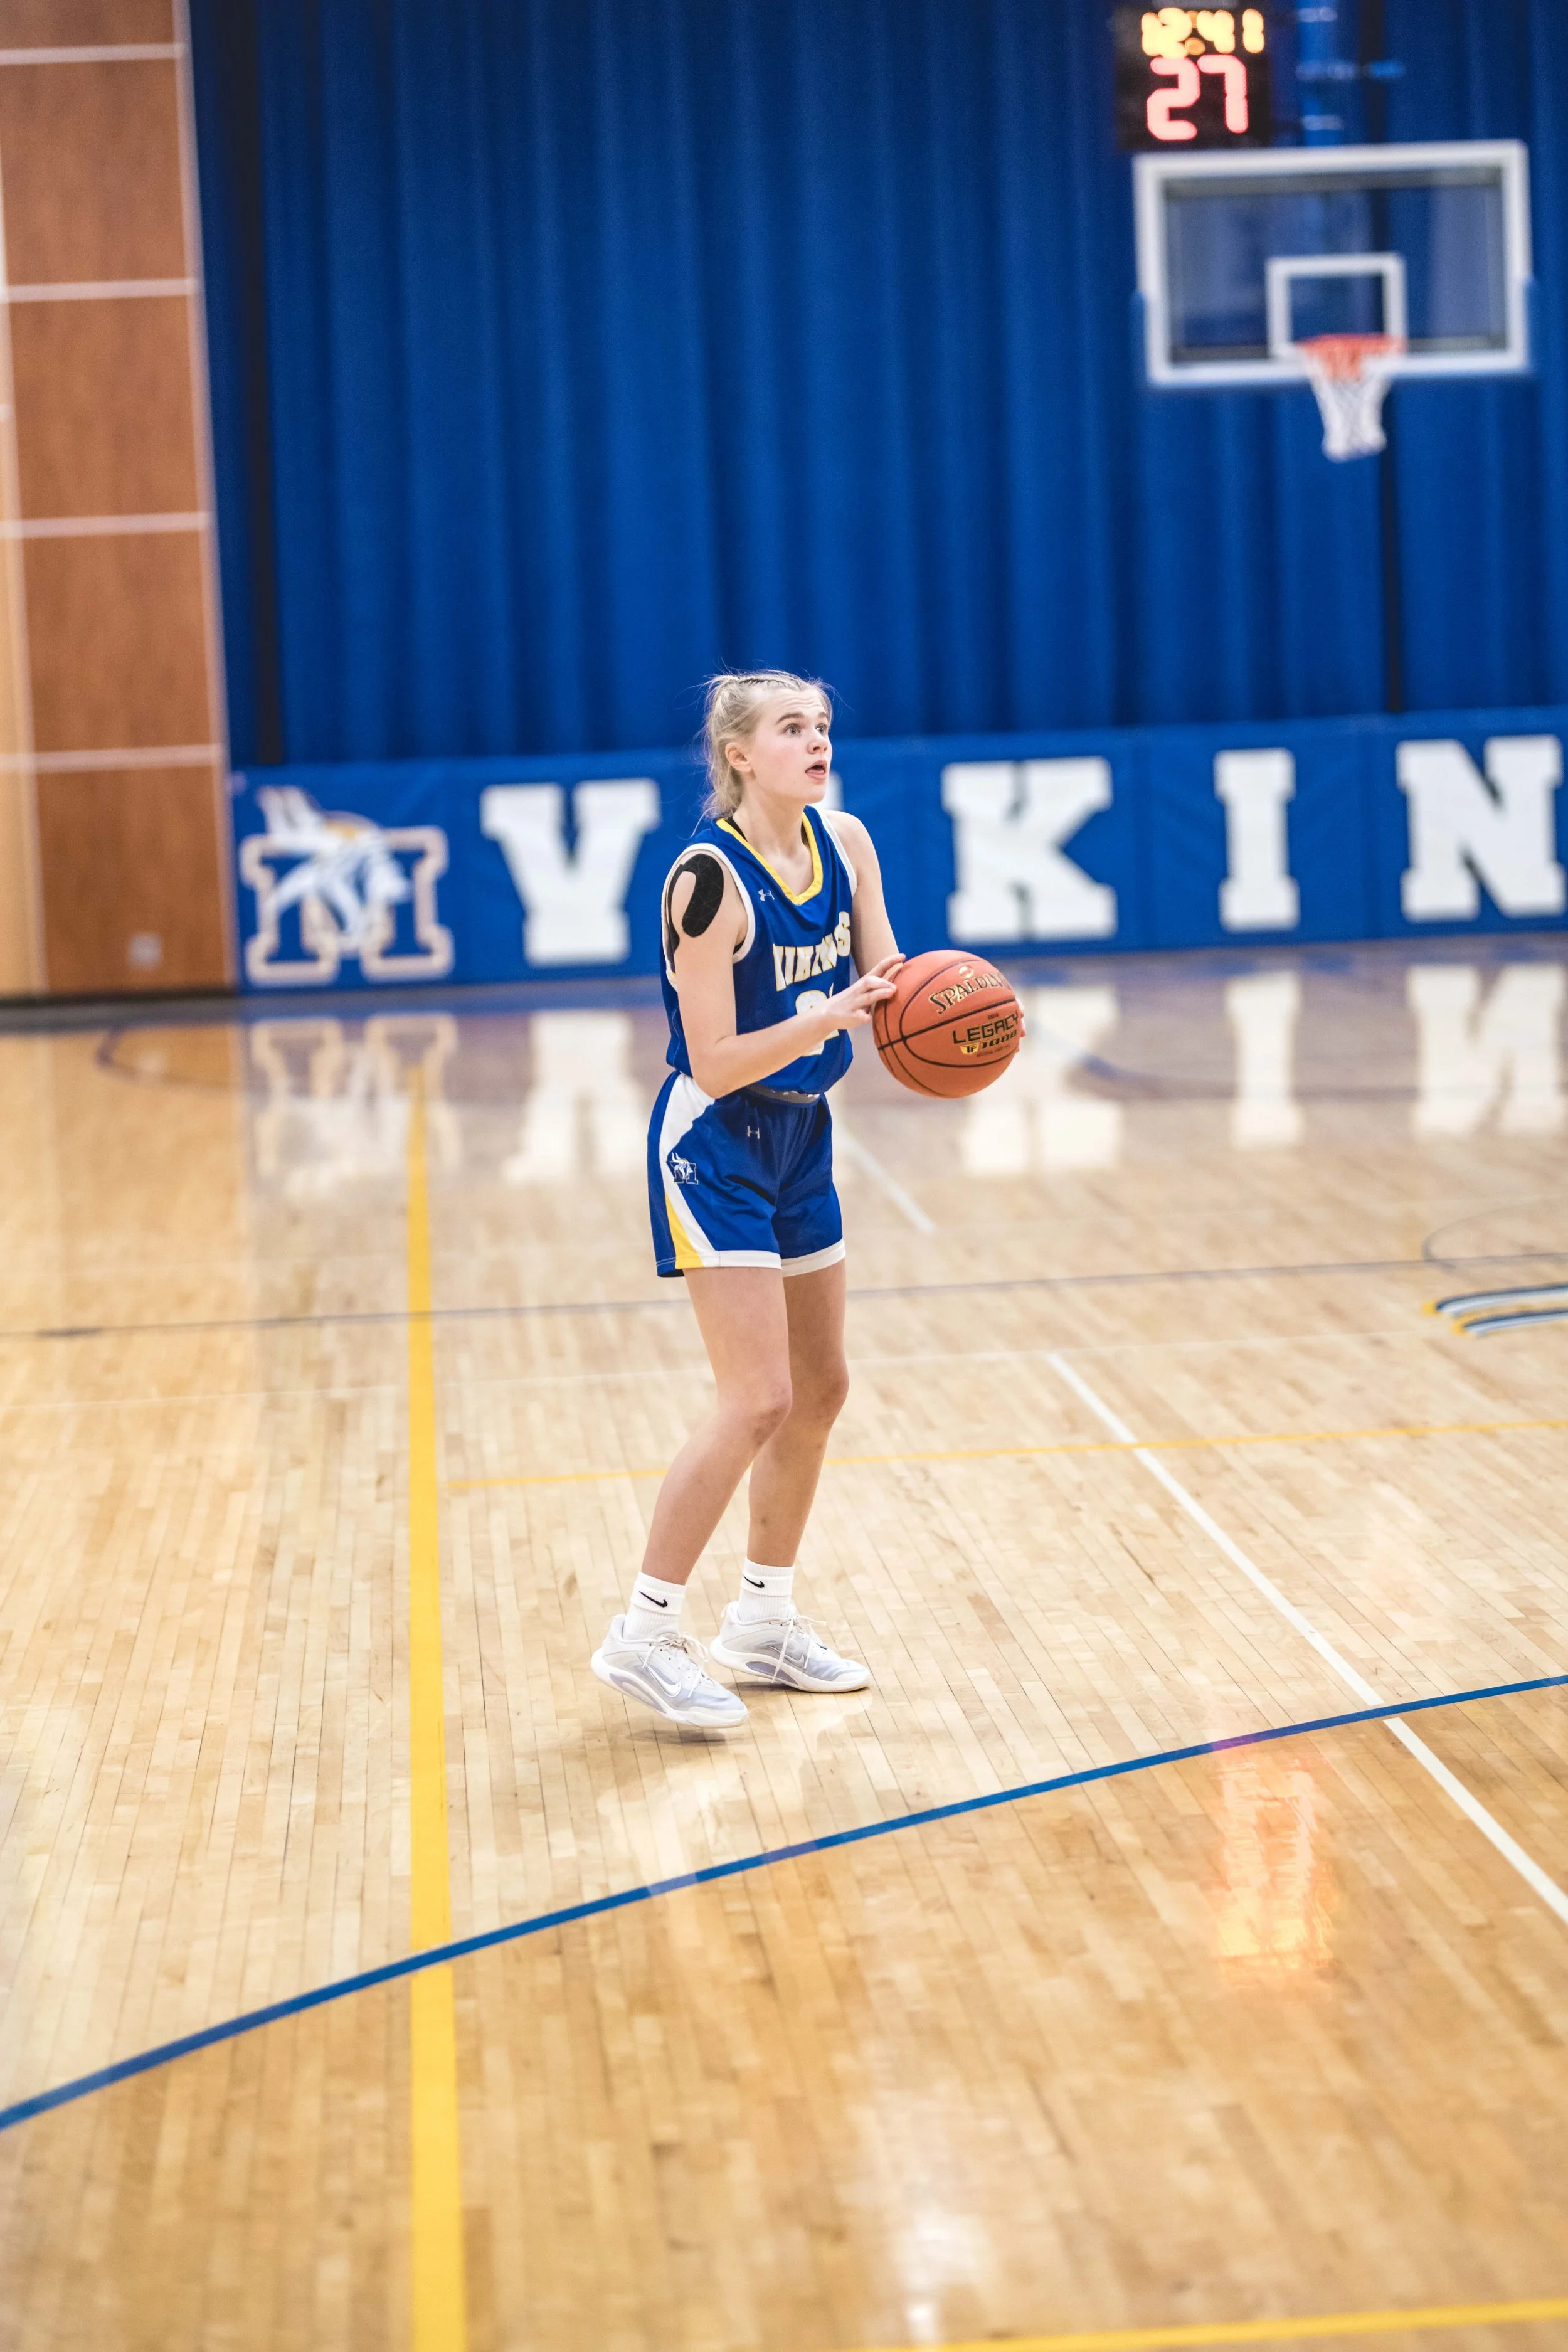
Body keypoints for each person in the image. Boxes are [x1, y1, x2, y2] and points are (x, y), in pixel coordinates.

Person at [591, 671, 903, 1730]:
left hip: (803, 1136)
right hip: (714, 1142)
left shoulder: (845, 842)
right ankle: (642, 1632)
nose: (817, 742)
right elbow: (716, 1059)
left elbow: (888, 983)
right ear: (738, 754)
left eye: (823, 726)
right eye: (792, 728)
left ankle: (763, 1620)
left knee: (820, 1385)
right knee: (757, 1395)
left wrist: (962, 1013)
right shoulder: (706, 878)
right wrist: (827, 1017)